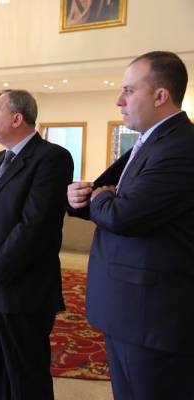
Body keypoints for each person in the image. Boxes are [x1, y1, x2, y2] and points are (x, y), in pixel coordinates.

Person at [67, 51, 194, 400]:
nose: (119, 101)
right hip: (130, 310)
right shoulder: (151, 140)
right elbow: (107, 196)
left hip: (151, 317)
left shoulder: (181, 146)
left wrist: (102, 199)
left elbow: (124, 215)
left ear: (160, 95)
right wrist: (85, 197)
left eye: (128, 90)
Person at [0, 90, 73, 400]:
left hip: (22, 289)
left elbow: (34, 227)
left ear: (17, 118)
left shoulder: (52, 158)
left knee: (25, 377)